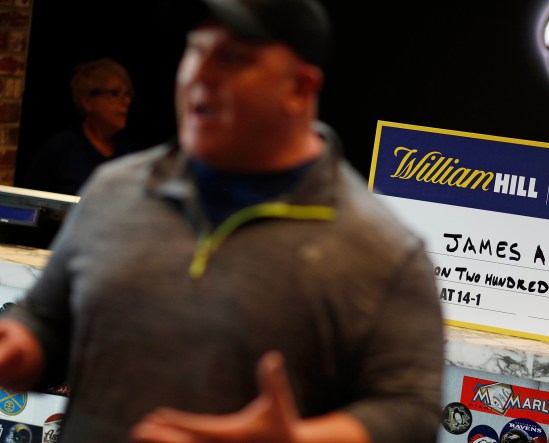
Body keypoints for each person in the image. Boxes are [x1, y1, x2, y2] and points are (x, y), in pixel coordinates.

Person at [0, 1, 445, 443]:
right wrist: (21, 346)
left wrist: (296, 439)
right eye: (196, 50)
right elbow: (47, 320)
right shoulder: (114, 191)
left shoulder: (381, 250)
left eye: (232, 58)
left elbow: (409, 413)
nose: (200, 74)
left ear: (299, 88)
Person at [18, 58, 142, 195]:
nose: (126, 101)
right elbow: (29, 201)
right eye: (114, 93)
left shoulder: (131, 154)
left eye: (127, 94)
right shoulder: (60, 150)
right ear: (87, 101)